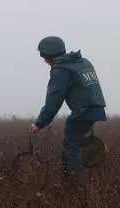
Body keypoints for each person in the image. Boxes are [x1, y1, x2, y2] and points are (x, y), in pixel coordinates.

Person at [29, 36, 107, 189]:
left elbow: (54, 100)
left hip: (83, 111)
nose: (44, 60)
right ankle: (71, 178)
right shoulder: (82, 62)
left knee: (71, 147)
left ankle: (72, 186)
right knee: (72, 142)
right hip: (96, 107)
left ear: (51, 54)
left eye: (44, 56)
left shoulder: (61, 69)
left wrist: (39, 123)